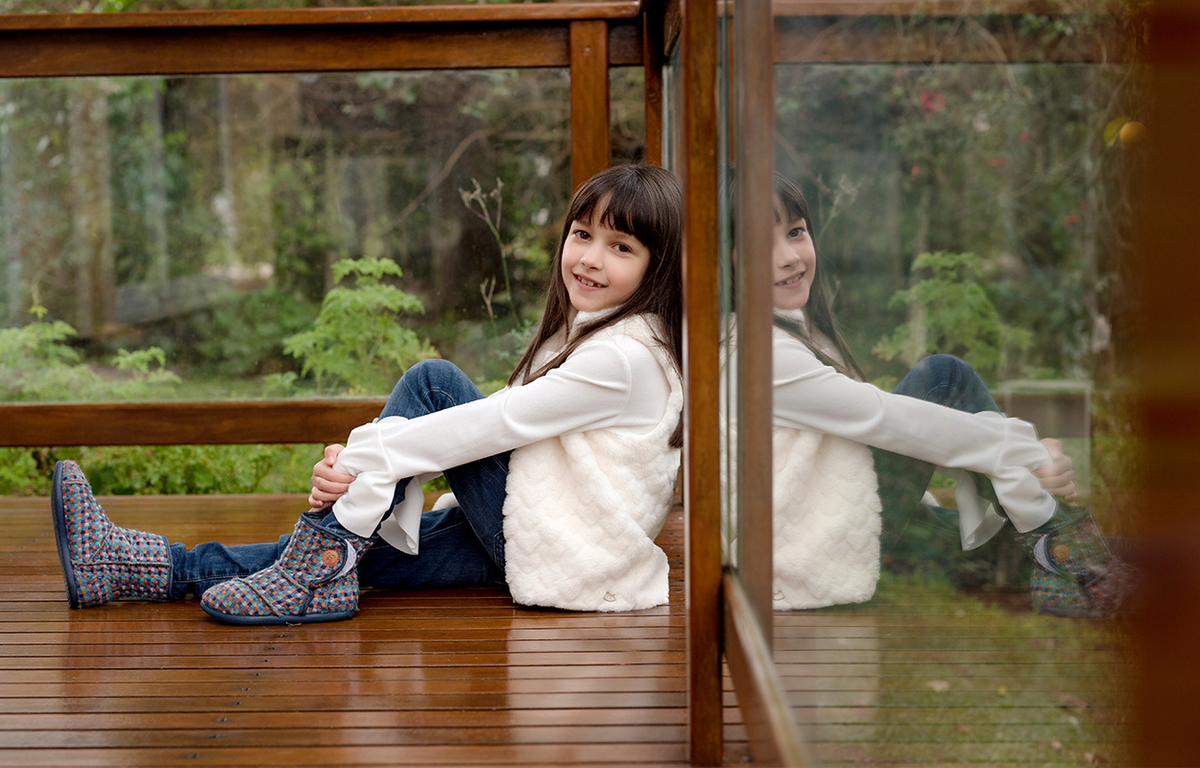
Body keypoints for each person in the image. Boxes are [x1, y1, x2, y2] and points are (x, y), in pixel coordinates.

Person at [50, 164, 685, 625]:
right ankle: (138, 566)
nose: (590, 258)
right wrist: (376, 463)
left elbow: (494, 424)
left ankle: (316, 564)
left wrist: (366, 457)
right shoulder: (598, 334)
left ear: (658, 267)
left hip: (566, 550)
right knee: (353, 558)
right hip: (543, 537)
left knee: (433, 383)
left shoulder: (621, 359)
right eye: (582, 234)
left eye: (620, 247)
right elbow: (490, 434)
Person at [751, 173, 1133, 617]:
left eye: (795, 232)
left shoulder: (790, 333)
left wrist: (1016, 464)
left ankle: (1071, 557)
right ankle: (1074, 561)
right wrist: (1027, 454)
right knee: (942, 378)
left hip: (828, 534)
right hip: (808, 554)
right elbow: (887, 420)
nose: (789, 257)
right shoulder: (760, 355)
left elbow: (856, 450)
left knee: (1023, 546)